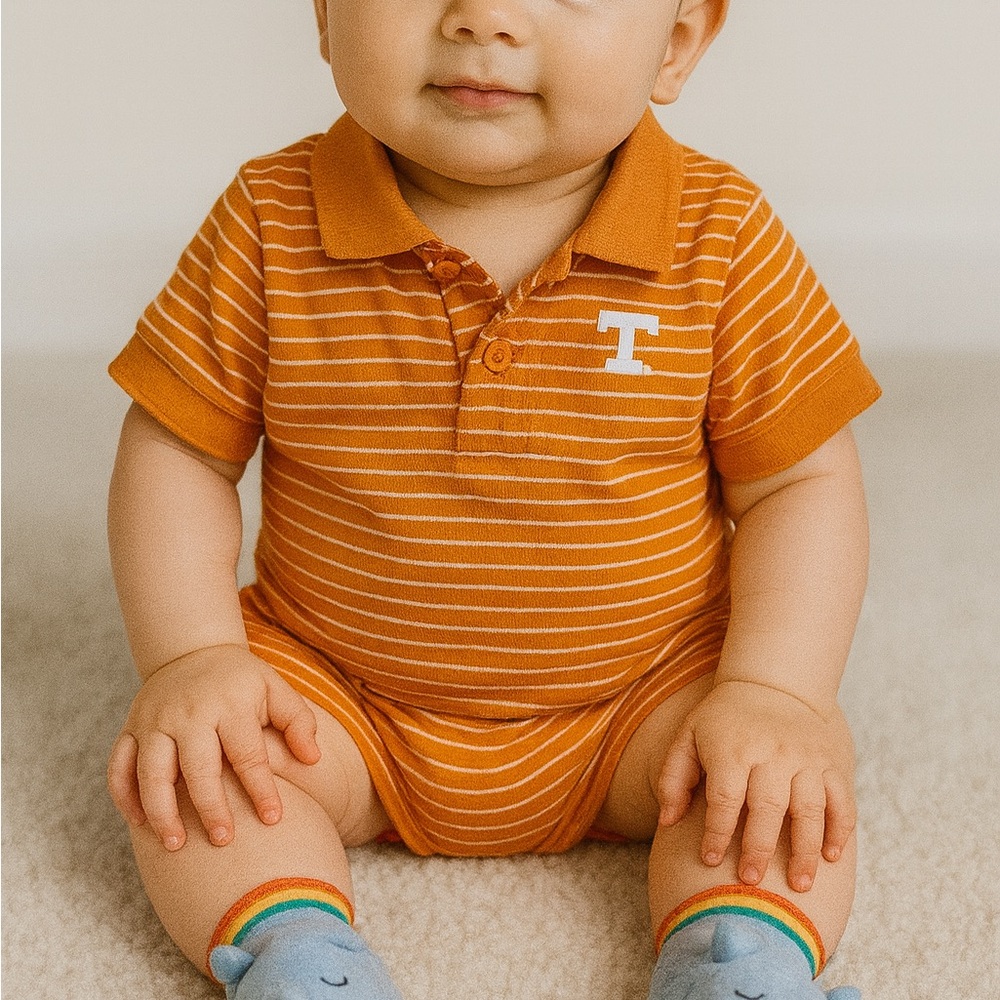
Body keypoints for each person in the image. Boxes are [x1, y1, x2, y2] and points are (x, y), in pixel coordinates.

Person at [106, 1, 879, 997]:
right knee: (195, 769)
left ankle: (739, 955)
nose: (484, 18)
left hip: (646, 699)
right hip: (336, 700)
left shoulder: (719, 234)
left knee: (771, 781)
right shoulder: (271, 218)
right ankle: (296, 952)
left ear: (677, 43)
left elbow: (799, 483)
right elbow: (178, 451)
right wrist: (193, 656)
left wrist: (774, 690)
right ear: (327, 14)